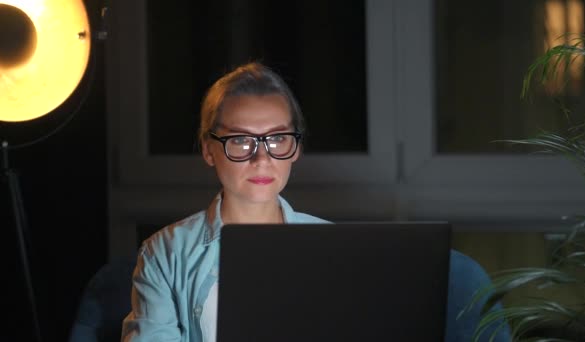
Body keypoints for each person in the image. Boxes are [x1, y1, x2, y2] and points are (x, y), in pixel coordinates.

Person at [121, 62, 509, 341]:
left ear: (295, 148)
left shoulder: (334, 249)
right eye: (240, 140)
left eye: (277, 139)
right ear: (209, 149)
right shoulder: (165, 254)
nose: (262, 158)